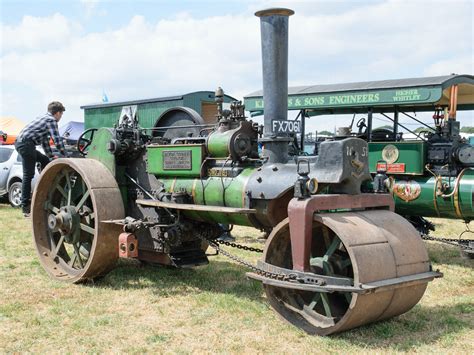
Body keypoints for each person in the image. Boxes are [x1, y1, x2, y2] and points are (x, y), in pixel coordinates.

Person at [15, 101, 68, 217]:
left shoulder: (43, 118)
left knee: (45, 160)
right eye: (61, 114)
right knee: (28, 175)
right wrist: (66, 156)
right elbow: (57, 140)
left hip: (23, 143)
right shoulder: (51, 120)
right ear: (58, 113)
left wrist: (50, 156)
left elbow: (45, 141)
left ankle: (46, 183)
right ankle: (25, 207)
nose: (61, 117)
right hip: (26, 144)